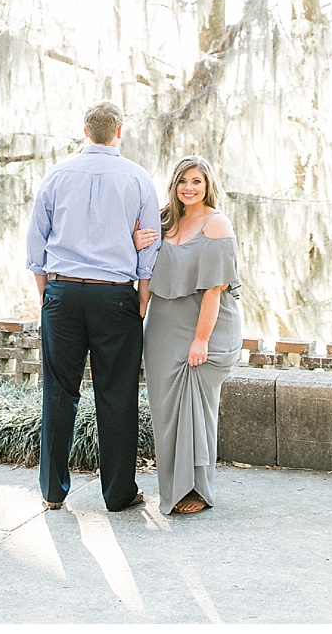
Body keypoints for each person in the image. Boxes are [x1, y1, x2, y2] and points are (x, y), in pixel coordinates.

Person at [25, 99, 161, 512]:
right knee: (116, 394)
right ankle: (118, 494)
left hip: (62, 293)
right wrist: (141, 297)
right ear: (119, 132)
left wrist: (48, 291)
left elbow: (36, 244)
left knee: (58, 391)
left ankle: (52, 491)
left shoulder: (56, 174)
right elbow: (149, 244)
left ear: (85, 132)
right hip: (115, 296)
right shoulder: (138, 178)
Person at [140, 154, 242, 516]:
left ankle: (197, 488)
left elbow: (215, 290)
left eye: (196, 181)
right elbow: (144, 268)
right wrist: (137, 239)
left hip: (207, 327)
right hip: (163, 325)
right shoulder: (164, 221)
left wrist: (200, 340)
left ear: (207, 185)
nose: (189, 188)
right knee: (166, 411)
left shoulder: (217, 225)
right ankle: (172, 487)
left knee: (198, 410)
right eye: (183, 181)